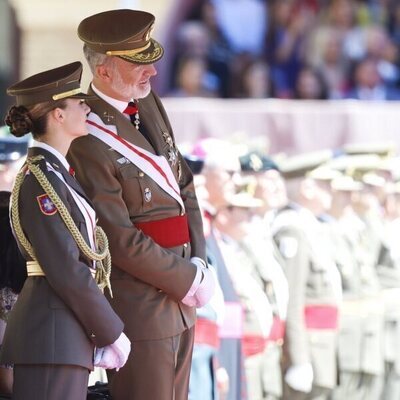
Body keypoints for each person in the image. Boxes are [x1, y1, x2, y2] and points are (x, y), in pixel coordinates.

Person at [67, 10, 215, 400]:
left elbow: (183, 184)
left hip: (183, 297)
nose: (151, 71)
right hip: (142, 306)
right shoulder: (83, 134)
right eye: (139, 64)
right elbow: (116, 237)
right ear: (104, 72)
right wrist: (185, 279)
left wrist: (200, 260)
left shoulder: (148, 104)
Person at [0, 62, 130, 400]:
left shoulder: (56, 174)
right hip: (51, 334)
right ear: (57, 115)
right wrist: (110, 331)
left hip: (62, 333)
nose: (87, 108)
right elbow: (66, 268)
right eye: (79, 103)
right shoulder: (42, 180)